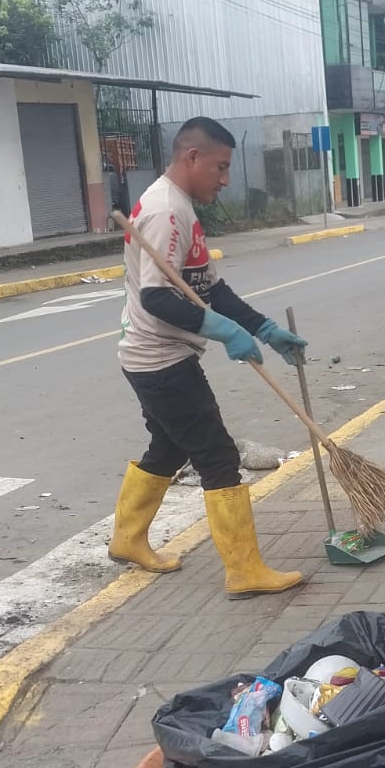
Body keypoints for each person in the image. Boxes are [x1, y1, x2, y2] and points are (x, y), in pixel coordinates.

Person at [108, 116, 308, 597]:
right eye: (220, 167)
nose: (224, 179)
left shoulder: (180, 207)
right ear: (192, 157)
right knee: (217, 456)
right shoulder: (165, 211)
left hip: (155, 356)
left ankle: (128, 538)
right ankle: (244, 571)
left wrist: (263, 328)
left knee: (170, 446)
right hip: (160, 359)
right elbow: (158, 298)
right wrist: (225, 332)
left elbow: (209, 289)